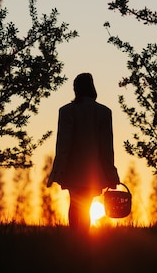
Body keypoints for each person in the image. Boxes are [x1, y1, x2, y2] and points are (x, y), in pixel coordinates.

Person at [47, 73, 120, 231]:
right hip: (94, 171)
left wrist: (56, 172)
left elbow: (63, 145)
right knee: (86, 205)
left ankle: (75, 239)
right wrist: (111, 174)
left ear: (76, 89)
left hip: (72, 170)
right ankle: (83, 240)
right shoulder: (104, 112)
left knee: (75, 203)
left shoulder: (66, 111)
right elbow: (107, 148)